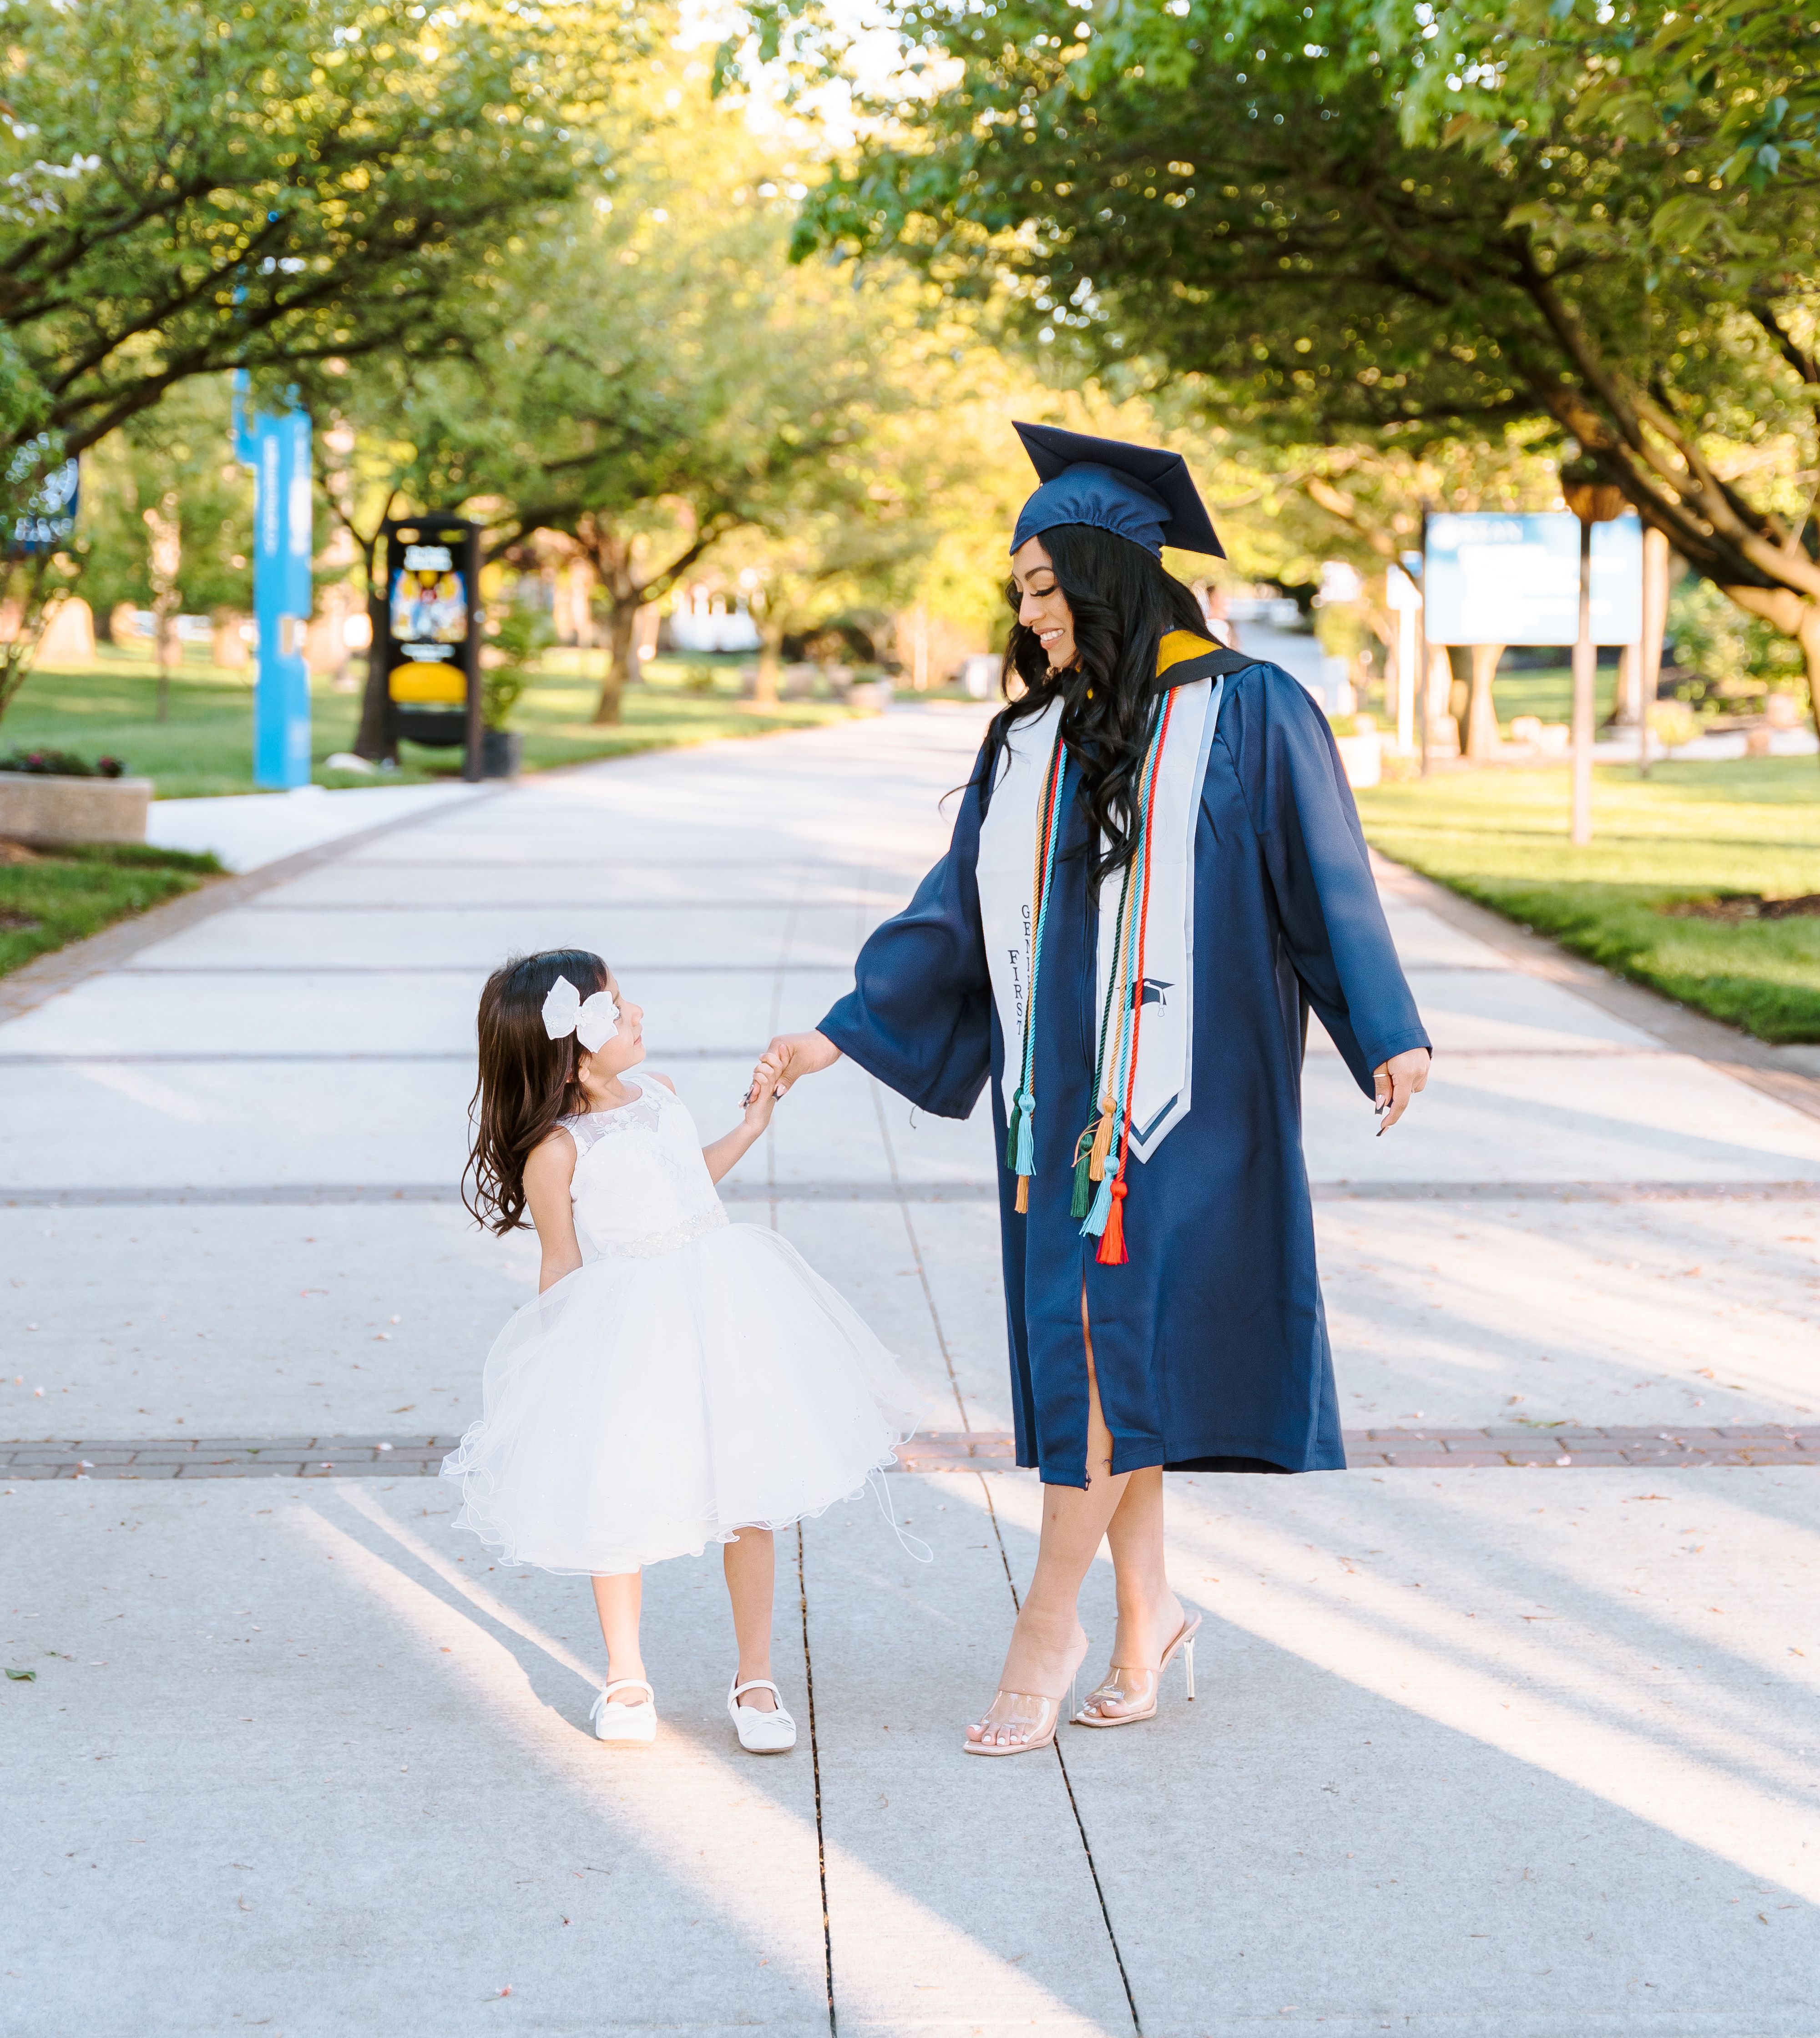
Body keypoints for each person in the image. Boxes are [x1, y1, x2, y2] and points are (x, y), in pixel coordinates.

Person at [753, 423, 1432, 1757]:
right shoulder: (1031, 743)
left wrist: (1383, 1026)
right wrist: (844, 1032)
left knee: (1105, 1343)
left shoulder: (1252, 708)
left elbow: (1326, 881)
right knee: (1108, 1354)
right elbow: (954, 912)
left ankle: (1044, 1627)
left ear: (1110, 575)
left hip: (1197, 1104)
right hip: (1057, 1102)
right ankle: (1148, 1616)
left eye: (1043, 585)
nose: (1028, 613)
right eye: (1019, 590)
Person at [444, 948, 920, 1751]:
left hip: (724, 1304)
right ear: (575, 1046)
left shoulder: (661, 1097)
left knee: (751, 1490)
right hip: (632, 1327)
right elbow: (560, 1261)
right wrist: (560, 1365)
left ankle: (756, 1675)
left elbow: (687, 1183)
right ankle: (626, 1678)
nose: (636, 1014)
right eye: (618, 1006)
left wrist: (750, 1127)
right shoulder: (557, 1151)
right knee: (619, 1493)